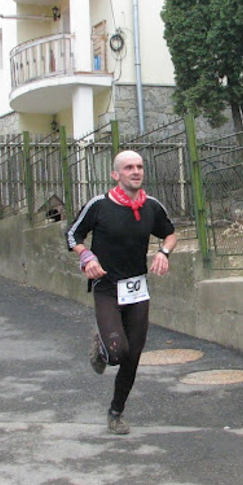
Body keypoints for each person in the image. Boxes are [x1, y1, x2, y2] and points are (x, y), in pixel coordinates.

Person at [67, 150, 177, 435]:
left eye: (140, 166)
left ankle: (116, 412)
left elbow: (171, 233)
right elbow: (72, 235)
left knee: (133, 356)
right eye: (129, 167)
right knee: (117, 351)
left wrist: (163, 253)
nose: (136, 171)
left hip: (137, 289)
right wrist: (86, 256)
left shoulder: (151, 206)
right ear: (116, 174)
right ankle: (103, 344)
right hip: (106, 287)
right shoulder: (99, 205)